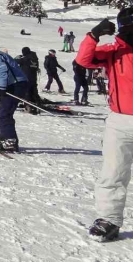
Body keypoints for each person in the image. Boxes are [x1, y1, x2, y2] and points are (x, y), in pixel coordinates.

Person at [72, 12, 133, 241]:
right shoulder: (113, 50)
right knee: (113, 172)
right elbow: (84, 60)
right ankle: (109, 219)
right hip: (119, 120)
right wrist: (94, 35)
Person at [15, 47, 42, 112]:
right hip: (33, 78)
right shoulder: (35, 59)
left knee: (26, 92)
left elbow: (16, 61)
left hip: (26, 78)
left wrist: (17, 58)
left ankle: (28, 106)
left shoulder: (25, 58)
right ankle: (39, 104)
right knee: (34, 92)